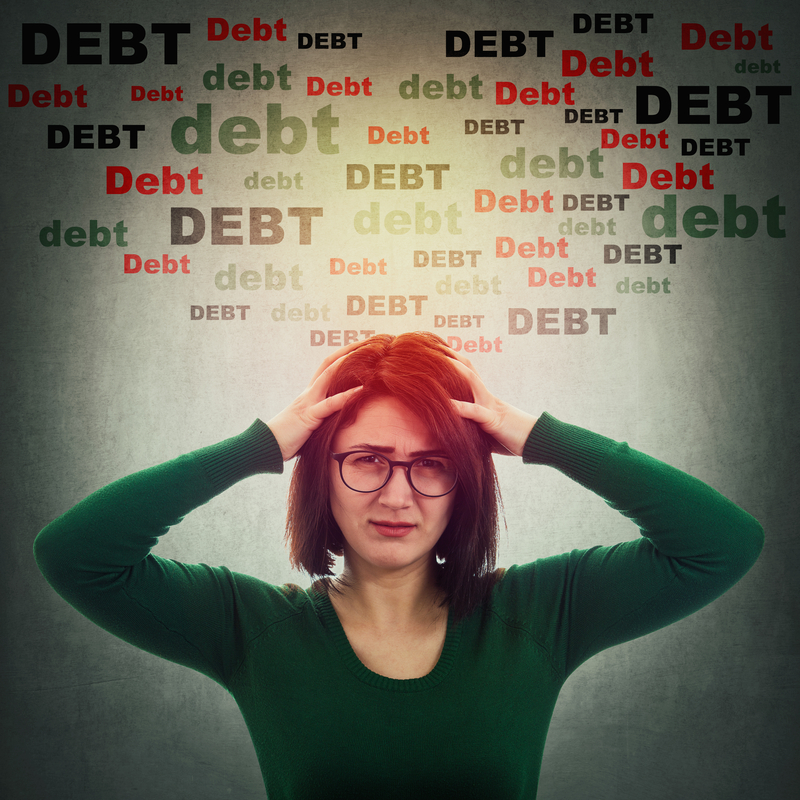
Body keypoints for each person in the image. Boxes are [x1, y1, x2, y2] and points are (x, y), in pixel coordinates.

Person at [34, 332, 764, 799]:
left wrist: (536, 434)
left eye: (432, 465)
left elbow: (721, 543)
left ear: (466, 485)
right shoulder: (250, 628)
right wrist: (261, 442)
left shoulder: (541, 614)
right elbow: (77, 555)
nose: (397, 495)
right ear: (320, 472)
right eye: (367, 460)